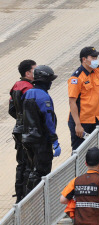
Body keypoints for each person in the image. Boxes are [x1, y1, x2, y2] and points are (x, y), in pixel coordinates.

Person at [22, 65, 60, 195]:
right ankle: (35, 198)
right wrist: (55, 141)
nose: (50, 83)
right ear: (44, 80)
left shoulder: (28, 93)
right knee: (41, 171)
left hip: (27, 138)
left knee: (31, 169)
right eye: (49, 80)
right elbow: (48, 120)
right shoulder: (43, 97)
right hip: (40, 140)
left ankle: (26, 197)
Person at [9, 59, 36, 201]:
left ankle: (19, 193)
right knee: (29, 162)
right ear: (28, 73)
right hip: (28, 131)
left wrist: (20, 120)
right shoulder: (29, 89)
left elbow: (11, 109)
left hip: (18, 129)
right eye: (35, 70)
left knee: (21, 162)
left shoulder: (16, 86)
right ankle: (27, 194)